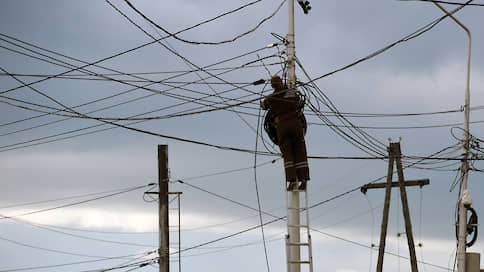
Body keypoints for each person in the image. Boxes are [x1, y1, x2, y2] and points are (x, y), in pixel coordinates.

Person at [261, 75, 310, 190]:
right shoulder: (290, 93)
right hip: (295, 123)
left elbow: (263, 105)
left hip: (281, 126)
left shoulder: (271, 97)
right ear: (282, 83)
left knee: (287, 153)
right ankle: (303, 180)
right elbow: (299, 102)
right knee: (300, 151)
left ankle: (292, 180)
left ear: (272, 86)